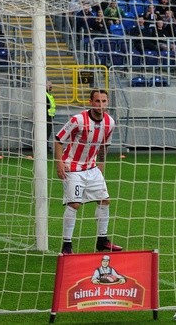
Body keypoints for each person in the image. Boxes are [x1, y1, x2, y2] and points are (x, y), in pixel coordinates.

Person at [55, 89, 122, 254]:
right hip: (73, 168)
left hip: (92, 168)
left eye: (104, 101)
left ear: (108, 102)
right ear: (91, 102)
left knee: (104, 200)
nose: (101, 105)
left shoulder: (110, 122)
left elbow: (104, 144)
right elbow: (58, 139)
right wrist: (59, 163)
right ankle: (67, 245)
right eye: (97, 101)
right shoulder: (78, 120)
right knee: (74, 204)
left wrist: (101, 163)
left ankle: (102, 240)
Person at [46, 81, 56, 151]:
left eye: (51, 85)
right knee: (46, 132)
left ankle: (46, 145)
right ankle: (45, 147)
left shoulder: (49, 94)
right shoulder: (45, 94)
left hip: (50, 116)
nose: (51, 86)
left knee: (48, 132)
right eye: (49, 85)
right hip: (47, 117)